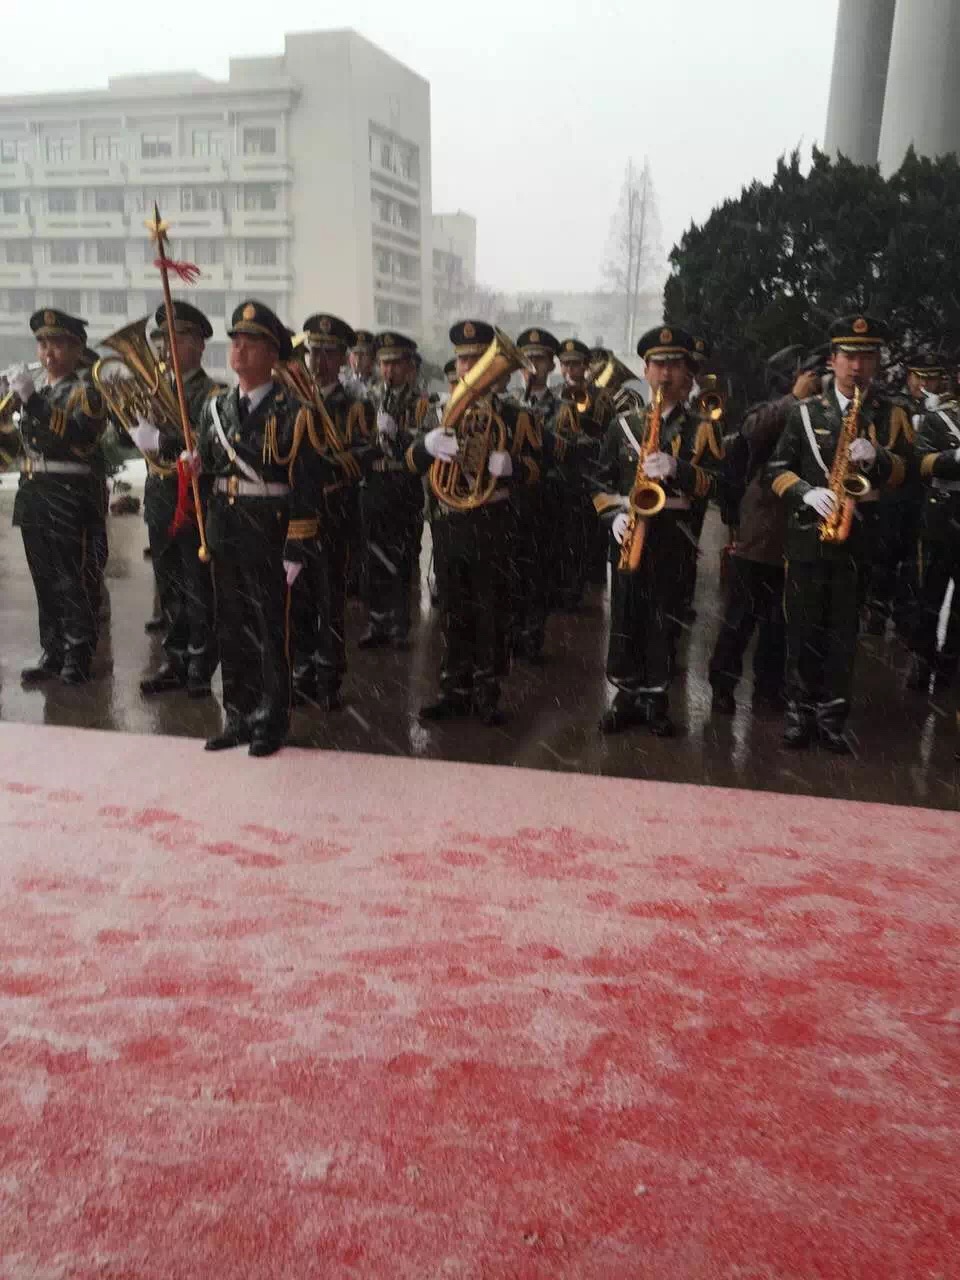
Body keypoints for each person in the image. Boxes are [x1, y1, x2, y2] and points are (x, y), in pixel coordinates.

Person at [767, 315, 909, 752]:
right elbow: (776, 470)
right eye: (849, 356)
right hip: (808, 537)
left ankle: (831, 718)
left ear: (877, 362)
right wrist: (806, 493)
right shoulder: (805, 412)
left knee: (843, 634)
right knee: (802, 629)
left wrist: (879, 458)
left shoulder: (891, 414)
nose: (857, 366)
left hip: (859, 540)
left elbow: (907, 474)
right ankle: (799, 714)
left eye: (867, 357)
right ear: (833, 359)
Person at [195, 300, 321, 757]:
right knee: (231, 625)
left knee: (271, 629)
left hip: (269, 529)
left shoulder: (294, 411)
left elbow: (306, 485)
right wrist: (193, 466)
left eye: (251, 343)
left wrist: (297, 546)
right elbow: (212, 467)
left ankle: (271, 717)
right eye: (236, 341)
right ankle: (238, 714)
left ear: (272, 354)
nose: (240, 349)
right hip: (225, 527)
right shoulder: (215, 408)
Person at [406, 319, 540, 725]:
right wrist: (426, 446)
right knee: (453, 609)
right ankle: (453, 689)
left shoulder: (514, 416)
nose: (469, 368)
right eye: (464, 360)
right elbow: (409, 462)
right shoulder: (437, 412)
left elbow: (541, 468)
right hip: (450, 521)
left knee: (491, 609)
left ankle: (487, 691)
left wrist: (512, 465)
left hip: (493, 520)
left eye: (480, 360)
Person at [593, 325, 722, 737]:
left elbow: (721, 485)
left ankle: (656, 698)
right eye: (658, 365)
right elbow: (599, 482)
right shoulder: (622, 426)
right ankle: (625, 694)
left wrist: (678, 469)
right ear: (645, 370)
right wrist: (613, 516)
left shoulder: (702, 427)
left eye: (674, 365)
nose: (665, 374)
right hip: (629, 532)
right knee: (626, 614)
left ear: (687, 372)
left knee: (664, 618)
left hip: (672, 536)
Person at [708, 346, 822, 714]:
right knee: (741, 616)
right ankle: (722, 685)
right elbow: (753, 431)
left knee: (780, 622)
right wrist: (794, 399)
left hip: (800, 532)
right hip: (762, 532)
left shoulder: (823, 413)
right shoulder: (771, 408)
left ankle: (768, 691)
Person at [9, 308, 106, 686]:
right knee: (44, 579)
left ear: (78, 349)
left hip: (68, 494)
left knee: (72, 577)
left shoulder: (86, 392)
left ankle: (78, 652)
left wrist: (32, 401)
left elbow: (79, 436)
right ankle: (52, 649)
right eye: (43, 344)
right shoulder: (37, 393)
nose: (48, 352)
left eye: (58, 344)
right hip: (33, 492)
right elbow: (13, 448)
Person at [132, 301, 220, 699]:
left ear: (199, 344)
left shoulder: (212, 394)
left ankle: (200, 662)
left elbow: (209, 445)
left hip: (195, 498)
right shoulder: (156, 388)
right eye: (162, 339)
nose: (166, 347)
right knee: (169, 586)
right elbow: (135, 440)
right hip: (160, 496)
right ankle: (176, 658)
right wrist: (130, 425)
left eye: (177, 338)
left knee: (196, 585)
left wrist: (163, 440)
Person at [290, 313, 370, 708]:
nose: (318, 361)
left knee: (330, 599)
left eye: (328, 353)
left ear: (341, 359)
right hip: (297, 513)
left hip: (334, 512)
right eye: (313, 352)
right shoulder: (292, 400)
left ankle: (328, 677)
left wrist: (326, 466)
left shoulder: (353, 405)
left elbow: (364, 454)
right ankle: (301, 671)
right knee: (297, 598)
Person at [357, 331, 430, 648]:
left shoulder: (422, 402)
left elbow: (426, 445)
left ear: (409, 366)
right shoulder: (369, 397)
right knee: (373, 555)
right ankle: (377, 621)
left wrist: (399, 433)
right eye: (384, 364)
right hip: (374, 482)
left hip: (403, 483)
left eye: (395, 364)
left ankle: (400, 624)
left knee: (402, 556)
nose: (388, 370)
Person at [857, 351, 929, 637]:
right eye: (920, 377)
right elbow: (882, 450)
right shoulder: (895, 407)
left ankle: (905, 619)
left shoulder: (944, 411)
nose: (926, 384)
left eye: (934, 378)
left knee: (913, 564)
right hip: (892, 494)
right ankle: (876, 612)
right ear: (909, 377)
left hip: (924, 499)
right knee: (883, 559)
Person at [551, 337, 616, 608]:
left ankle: (574, 591)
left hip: (585, 476)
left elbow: (606, 436)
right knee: (557, 535)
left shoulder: (601, 396)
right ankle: (558, 587)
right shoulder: (555, 394)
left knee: (580, 536)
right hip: (558, 475)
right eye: (565, 364)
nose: (569, 370)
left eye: (575, 364)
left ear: (586, 366)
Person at [509, 326, 560, 662]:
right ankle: (511, 633)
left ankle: (531, 636)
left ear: (551, 365)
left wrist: (538, 432)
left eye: (539, 360)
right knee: (509, 570)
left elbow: (569, 453)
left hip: (543, 501)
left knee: (536, 572)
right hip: (510, 500)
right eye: (526, 360)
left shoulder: (563, 408)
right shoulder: (509, 404)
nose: (532, 366)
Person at [910, 359, 960, 694]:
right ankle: (921, 660)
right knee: (930, 591)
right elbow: (922, 463)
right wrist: (953, 458)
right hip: (943, 514)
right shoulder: (939, 419)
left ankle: (949, 665)